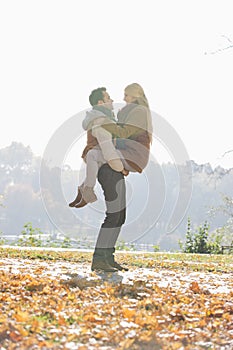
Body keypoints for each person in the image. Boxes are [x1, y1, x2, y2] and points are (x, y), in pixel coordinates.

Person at [72, 83, 152, 272]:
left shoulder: (132, 113)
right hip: (108, 168)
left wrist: (122, 165)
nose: (121, 99)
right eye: (111, 97)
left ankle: (107, 257)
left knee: (119, 215)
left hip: (112, 165)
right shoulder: (102, 119)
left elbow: (120, 136)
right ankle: (100, 259)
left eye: (126, 95)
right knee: (114, 214)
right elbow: (112, 140)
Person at [69, 87, 128, 209]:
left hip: (98, 152)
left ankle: (83, 189)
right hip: (102, 153)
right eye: (108, 98)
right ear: (100, 103)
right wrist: (121, 168)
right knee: (94, 156)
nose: (112, 100)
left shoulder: (102, 118)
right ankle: (87, 191)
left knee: (94, 160)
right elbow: (108, 149)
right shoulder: (101, 120)